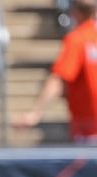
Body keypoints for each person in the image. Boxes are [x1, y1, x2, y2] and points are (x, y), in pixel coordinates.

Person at [13, 0, 97, 143]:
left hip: (88, 133)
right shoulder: (80, 38)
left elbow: (59, 80)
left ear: (73, 13)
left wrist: (36, 112)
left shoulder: (78, 39)